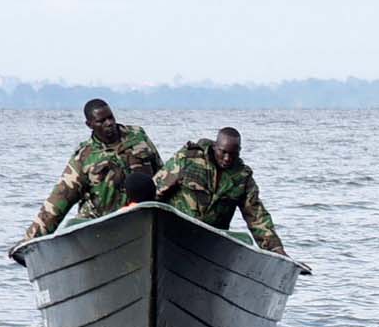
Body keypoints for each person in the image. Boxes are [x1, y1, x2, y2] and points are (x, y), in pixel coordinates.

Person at [18, 98, 162, 247]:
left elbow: (161, 174)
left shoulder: (138, 137)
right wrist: (28, 242)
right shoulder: (84, 157)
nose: (109, 123)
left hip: (142, 218)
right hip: (103, 226)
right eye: (101, 121)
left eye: (110, 117)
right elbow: (58, 201)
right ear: (90, 125)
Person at [153, 126, 287, 254]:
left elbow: (257, 216)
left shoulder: (242, 177)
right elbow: (155, 190)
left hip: (211, 243)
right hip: (173, 232)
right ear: (215, 147)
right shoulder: (187, 159)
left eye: (233, 154)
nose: (227, 158)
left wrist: (276, 249)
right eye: (223, 152)